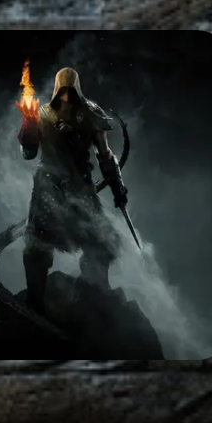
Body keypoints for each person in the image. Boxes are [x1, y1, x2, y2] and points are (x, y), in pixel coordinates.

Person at [16, 66, 128, 312]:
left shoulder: (91, 113)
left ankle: (97, 294)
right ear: (58, 89)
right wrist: (28, 126)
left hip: (79, 187)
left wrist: (118, 188)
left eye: (70, 90)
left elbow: (105, 155)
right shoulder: (42, 114)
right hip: (49, 187)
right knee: (37, 246)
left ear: (76, 88)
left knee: (99, 243)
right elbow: (29, 153)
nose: (67, 95)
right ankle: (35, 303)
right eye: (63, 90)